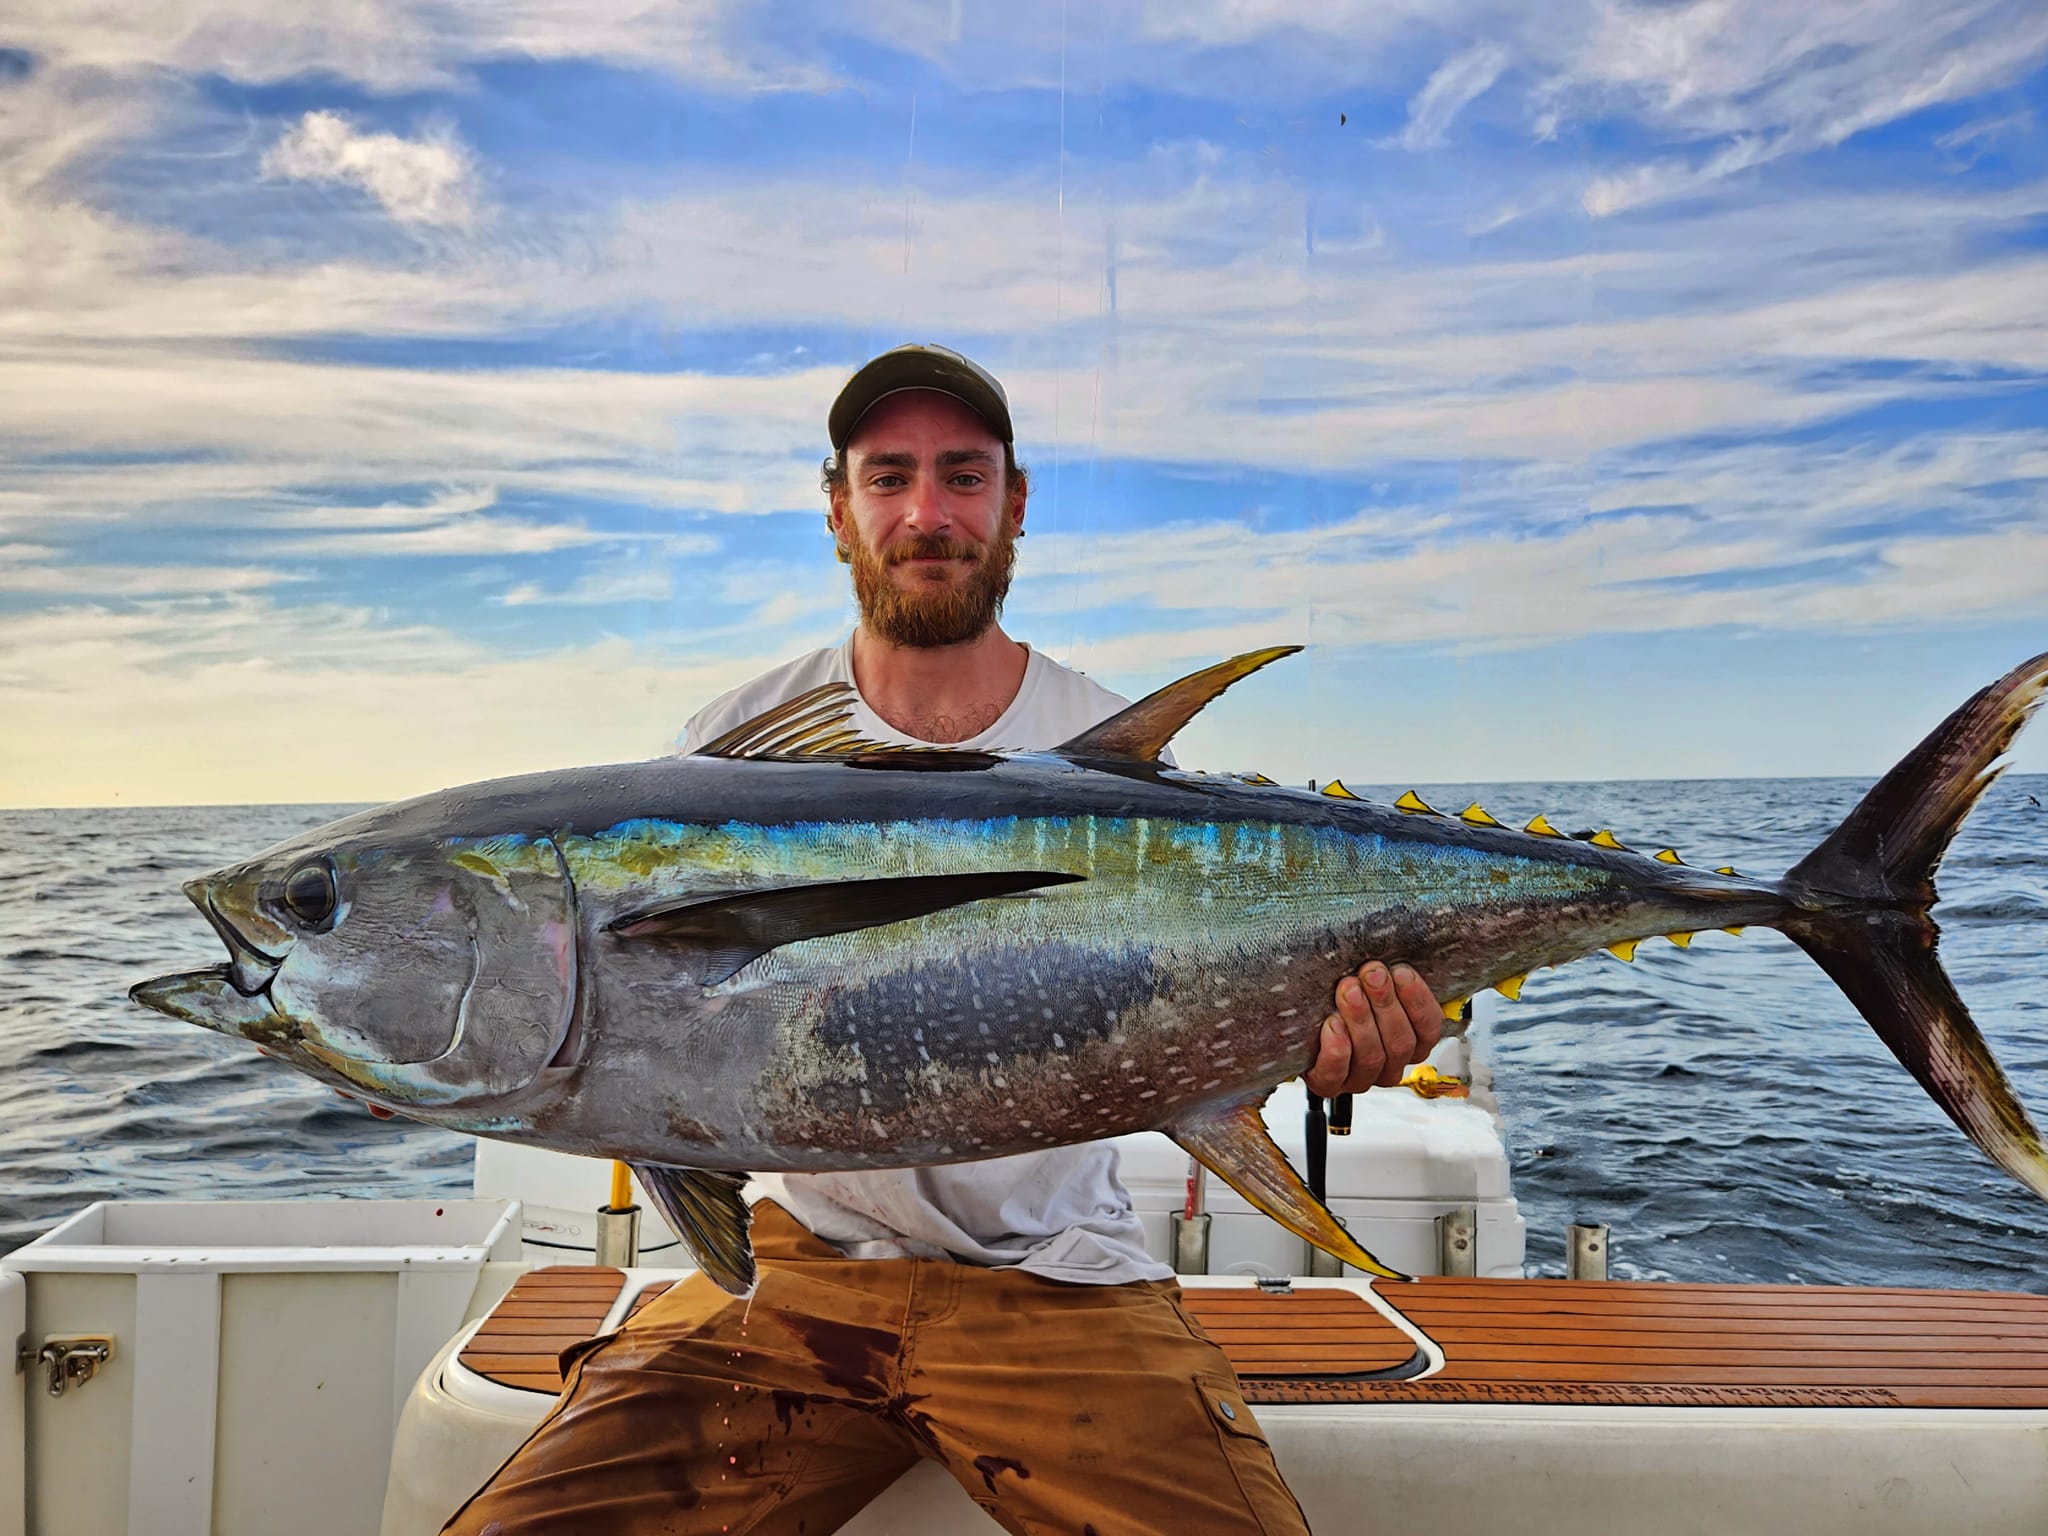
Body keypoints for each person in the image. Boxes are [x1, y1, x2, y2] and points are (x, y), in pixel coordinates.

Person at [443, 344, 1447, 1536]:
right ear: (837, 509)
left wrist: (1358, 1036)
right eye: (889, 478)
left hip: (1065, 1289)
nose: (926, 514)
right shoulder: (729, 749)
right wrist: (423, 1047)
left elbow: (1249, 947)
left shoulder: (1096, 744)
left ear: (1013, 505)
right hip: (799, 1277)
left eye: (964, 477)